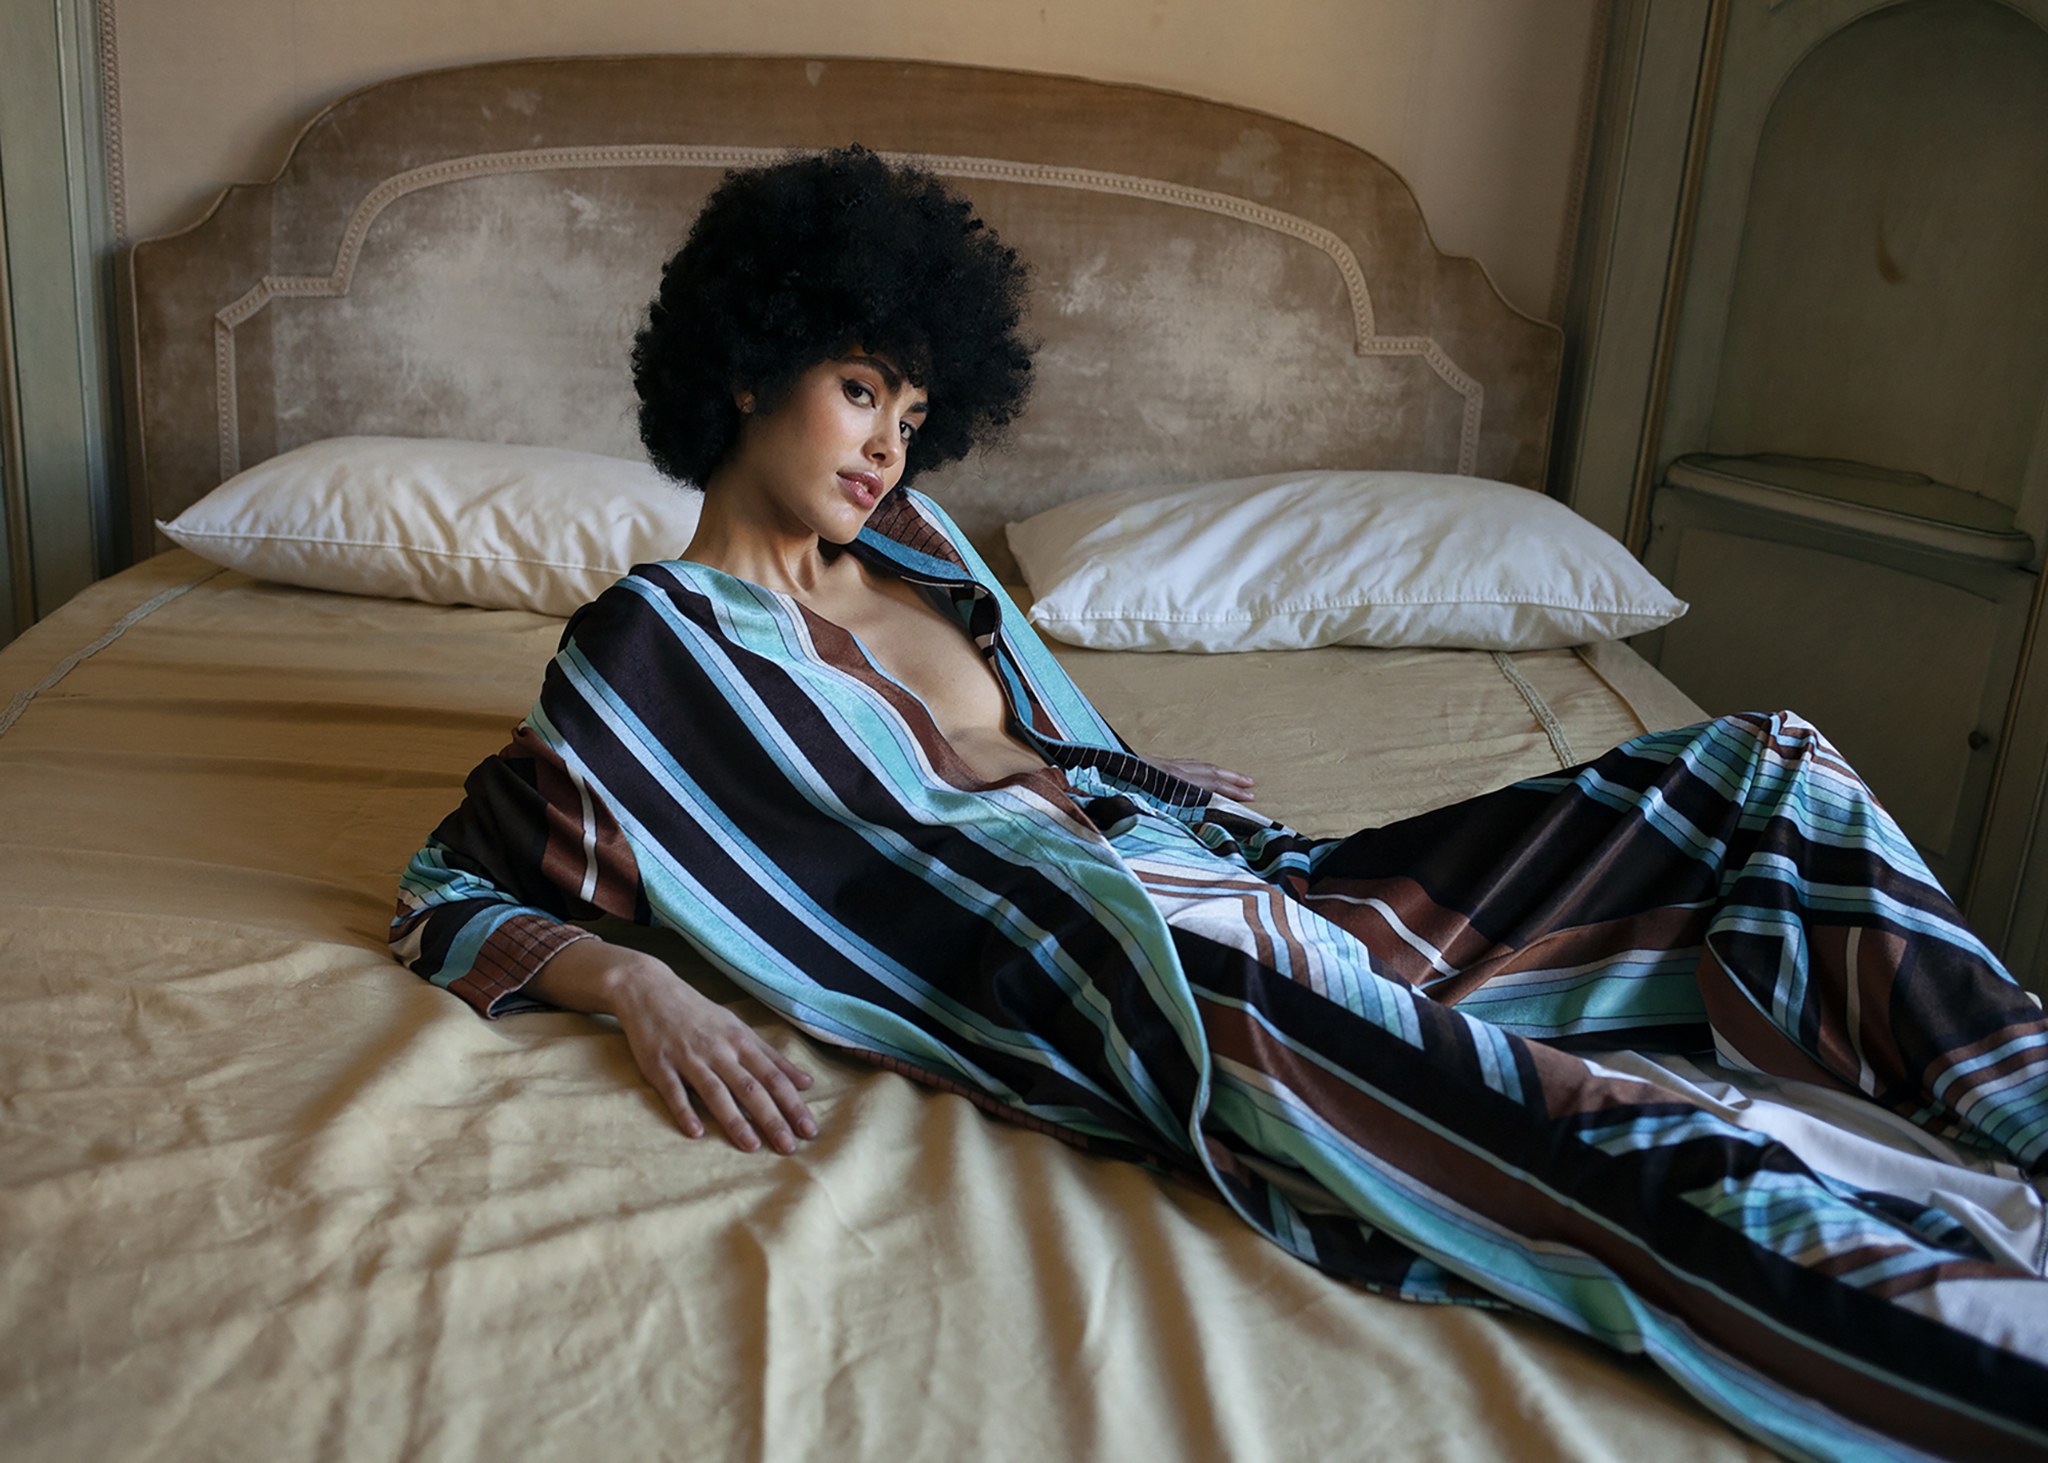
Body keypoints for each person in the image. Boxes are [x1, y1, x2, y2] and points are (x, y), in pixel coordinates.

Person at [392, 146, 2048, 1461]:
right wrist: (643, 986)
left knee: (1759, 777)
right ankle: (1965, 1349)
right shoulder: (648, 651)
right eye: (861, 387)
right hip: (1133, 972)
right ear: (748, 364)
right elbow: (454, 888)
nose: (890, 442)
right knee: (1585, 1142)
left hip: (1251, 877)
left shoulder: (927, 549)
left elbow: (1032, 740)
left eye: (913, 409)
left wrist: (1126, 776)